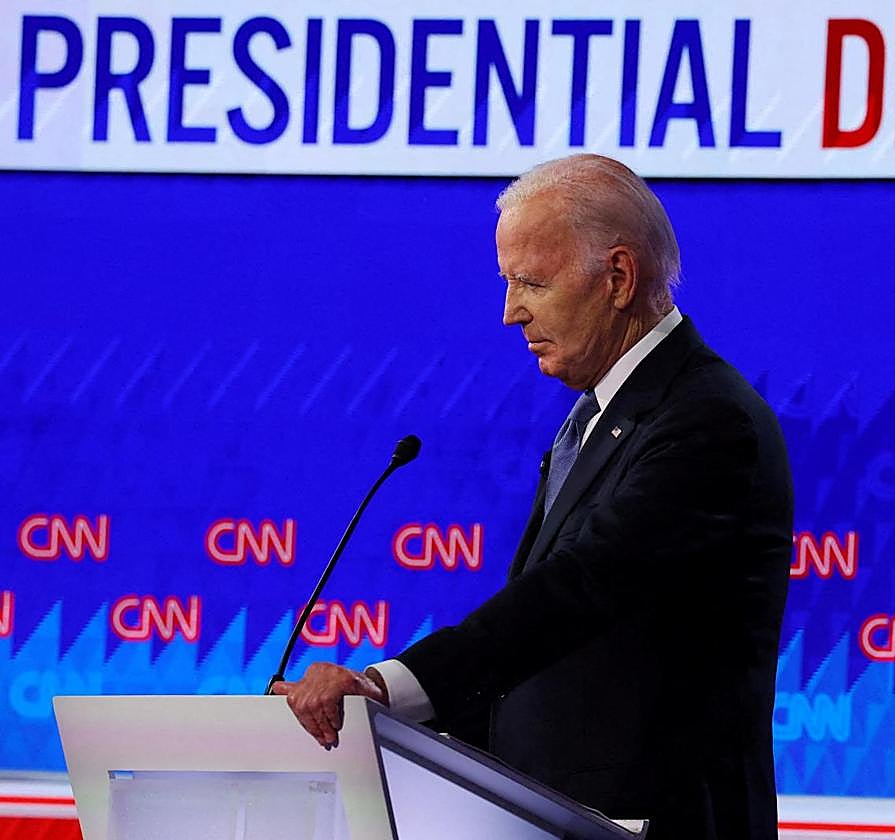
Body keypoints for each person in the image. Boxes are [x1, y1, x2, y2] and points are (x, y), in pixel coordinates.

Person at [271, 154, 793, 838]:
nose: (510, 312)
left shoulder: (705, 421)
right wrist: (400, 734)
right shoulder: (603, 414)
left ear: (618, 277)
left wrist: (387, 687)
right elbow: (543, 664)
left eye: (531, 283)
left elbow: (578, 590)